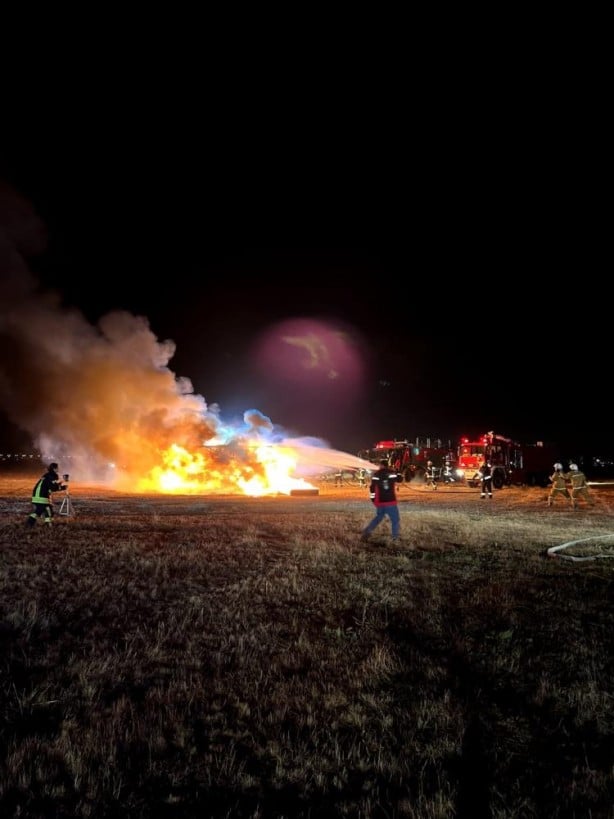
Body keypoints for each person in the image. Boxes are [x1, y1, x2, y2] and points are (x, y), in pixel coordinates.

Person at [361, 459, 401, 542]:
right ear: (387, 465)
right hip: (390, 501)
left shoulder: (376, 474)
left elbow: (372, 488)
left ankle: (367, 531)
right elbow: (400, 479)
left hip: (380, 502)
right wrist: (398, 472)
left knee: (379, 517)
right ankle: (395, 538)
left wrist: (373, 499)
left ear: (381, 465)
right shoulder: (391, 473)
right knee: (395, 520)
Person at [26, 462, 68, 527]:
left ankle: (29, 523)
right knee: (48, 510)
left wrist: (62, 481)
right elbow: (53, 487)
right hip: (42, 496)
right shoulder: (52, 475)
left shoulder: (48, 475)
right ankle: (48, 525)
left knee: (39, 511)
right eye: (57, 468)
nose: (58, 469)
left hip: (37, 496)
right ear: (54, 468)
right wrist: (63, 487)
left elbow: (52, 485)